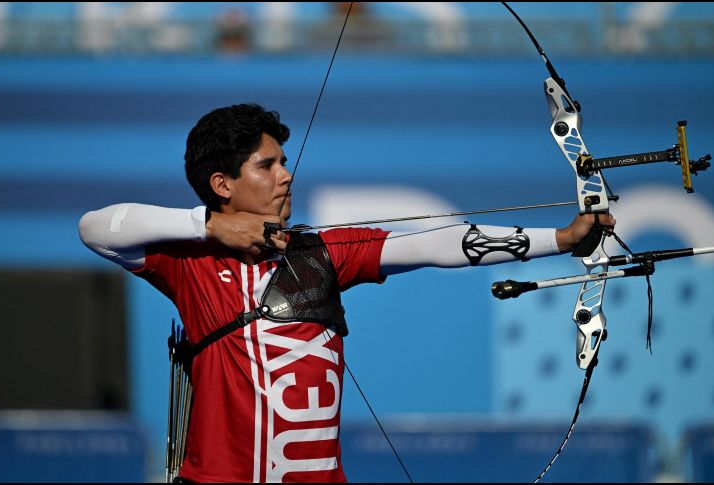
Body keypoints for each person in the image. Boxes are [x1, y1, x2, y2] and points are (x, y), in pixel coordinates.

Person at [78, 103, 615, 483]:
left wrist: (561, 239)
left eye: (284, 161)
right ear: (223, 184)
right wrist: (211, 228)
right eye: (267, 165)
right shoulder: (188, 261)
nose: (287, 175)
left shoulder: (325, 252)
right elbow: (95, 228)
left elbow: (440, 244)